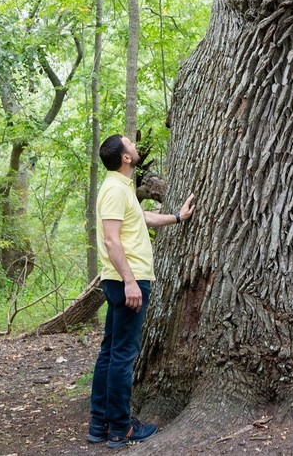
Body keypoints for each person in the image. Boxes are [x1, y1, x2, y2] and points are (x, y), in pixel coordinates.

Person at [88, 134, 195, 448]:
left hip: (123, 280)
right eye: (128, 143)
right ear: (124, 157)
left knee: (110, 352)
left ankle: (99, 424)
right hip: (127, 282)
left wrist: (177, 217)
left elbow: (141, 218)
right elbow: (111, 239)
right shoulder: (112, 190)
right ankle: (121, 428)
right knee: (122, 355)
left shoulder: (121, 188)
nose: (134, 145)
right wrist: (131, 281)